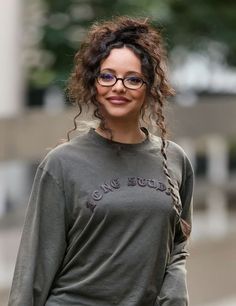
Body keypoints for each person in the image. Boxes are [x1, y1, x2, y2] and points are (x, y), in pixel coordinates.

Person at [8, 16, 194, 306]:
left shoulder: (174, 159)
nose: (118, 87)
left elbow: (178, 246)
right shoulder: (62, 164)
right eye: (107, 76)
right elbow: (33, 267)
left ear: (149, 88)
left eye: (132, 79)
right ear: (93, 83)